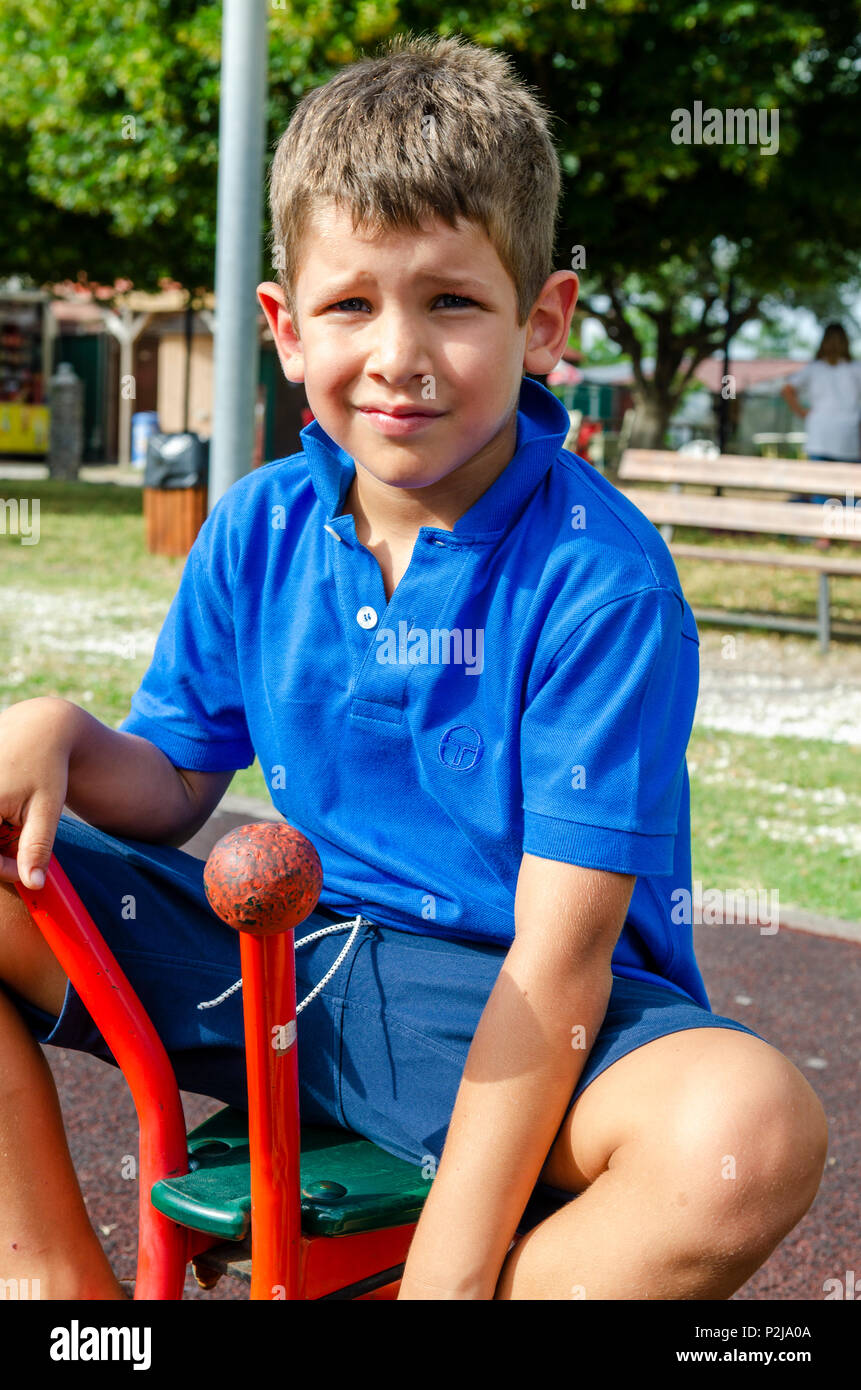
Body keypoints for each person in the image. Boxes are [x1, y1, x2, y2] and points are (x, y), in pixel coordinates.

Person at [0, 33, 827, 1302]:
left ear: (540, 320)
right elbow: (169, 783)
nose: (398, 353)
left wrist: (448, 1274)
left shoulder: (597, 578)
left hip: (525, 1015)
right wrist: (58, 730)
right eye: (351, 304)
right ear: (284, 328)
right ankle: (59, 1293)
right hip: (297, 968)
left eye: (450, 299)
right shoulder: (262, 524)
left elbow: (559, 963)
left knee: (746, 1135)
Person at [781, 322, 861, 548]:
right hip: (848, 434)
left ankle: (823, 536)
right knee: (851, 487)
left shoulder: (814, 369)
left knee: (821, 488)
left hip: (819, 432)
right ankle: (854, 536)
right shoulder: (856, 369)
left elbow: (787, 389)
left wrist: (802, 412)